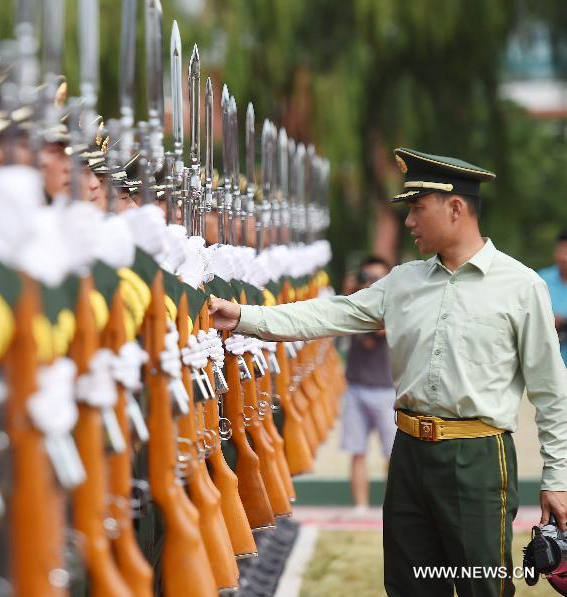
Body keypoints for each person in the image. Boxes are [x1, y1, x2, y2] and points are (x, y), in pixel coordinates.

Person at [209, 147, 567, 597]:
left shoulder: (521, 287)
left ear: (455, 208)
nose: (409, 221)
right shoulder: (403, 281)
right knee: (409, 586)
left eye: (417, 208)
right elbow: (330, 315)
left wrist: (557, 479)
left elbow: (552, 393)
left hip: (478, 458)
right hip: (410, 454)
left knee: (482, 587)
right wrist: (242, 316)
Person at [340, 256, 397, 514]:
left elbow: (378, 333)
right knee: (357, 451)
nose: (373, 283)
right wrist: (350, 295)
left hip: (387, 390)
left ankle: (393, 507)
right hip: (356, 388)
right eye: (368, 278)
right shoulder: (352, 305)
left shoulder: (395, 306)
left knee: (393, 455)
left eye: (379, 279)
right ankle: (360, 505)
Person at [537, 230, 567, 364]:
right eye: (561, 251)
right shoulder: (540, 279)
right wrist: (548, 320)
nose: (564, 258)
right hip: (546, 361)